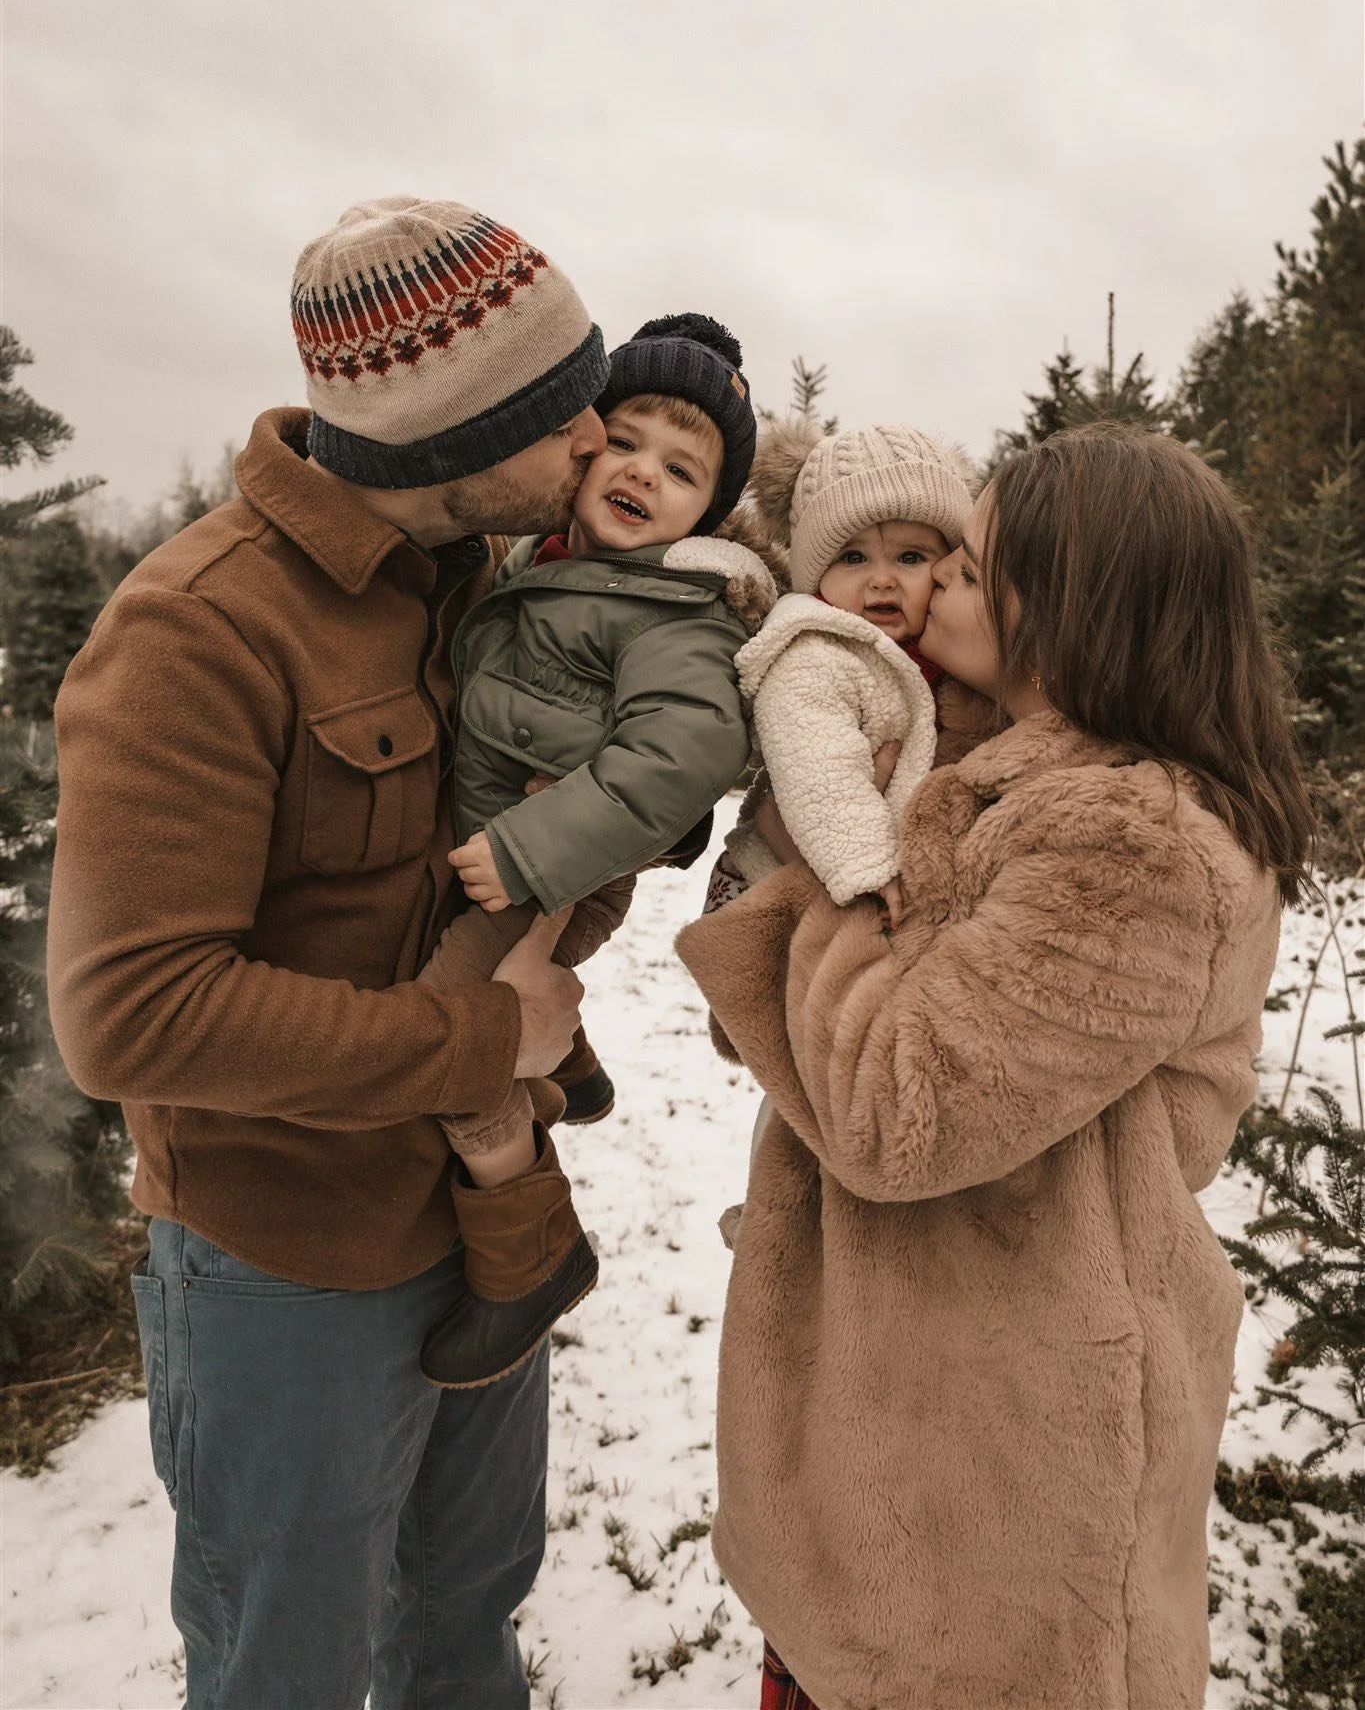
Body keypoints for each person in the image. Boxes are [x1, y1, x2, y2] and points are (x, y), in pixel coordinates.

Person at [47, 196, 625, 1710]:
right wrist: (480, 1045)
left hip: (478, 1226)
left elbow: (501, 883)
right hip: (287, 1273)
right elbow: (129, 1017)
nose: (598, 440)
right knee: (285, 1666)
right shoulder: (197, 631)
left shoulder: (487, 589)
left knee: (464, 1622)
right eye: (564, 408)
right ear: (449, 433)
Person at [676, 422, 1316, 1710]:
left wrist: (797, 891)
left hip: (1001, 1466)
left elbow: (892, 1106)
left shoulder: (1129, 840)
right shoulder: (1001, 776)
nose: (928, 587)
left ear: (1073, 603)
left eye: (969, 565)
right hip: (913, 1409)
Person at [417, 312, 775, 1389]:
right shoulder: (542, 558)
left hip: (548, 872)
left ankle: (530, 1248)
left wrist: (532, 851)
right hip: (504, 848)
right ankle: (569, 1064)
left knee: (447, 1040)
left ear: (707, 510)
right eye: (626, 440)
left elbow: (688, 751)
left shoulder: (677, 609)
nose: (642, 474)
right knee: (478, 1006)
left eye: (682, 468)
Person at [707, 419, 975, 931]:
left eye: (910, 557)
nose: (881, 578)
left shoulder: (943, 656)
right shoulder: (816, 652)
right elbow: (819, 766)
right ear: (817, 577)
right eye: (853, 557)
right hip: (774, 888)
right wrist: (866, 863)